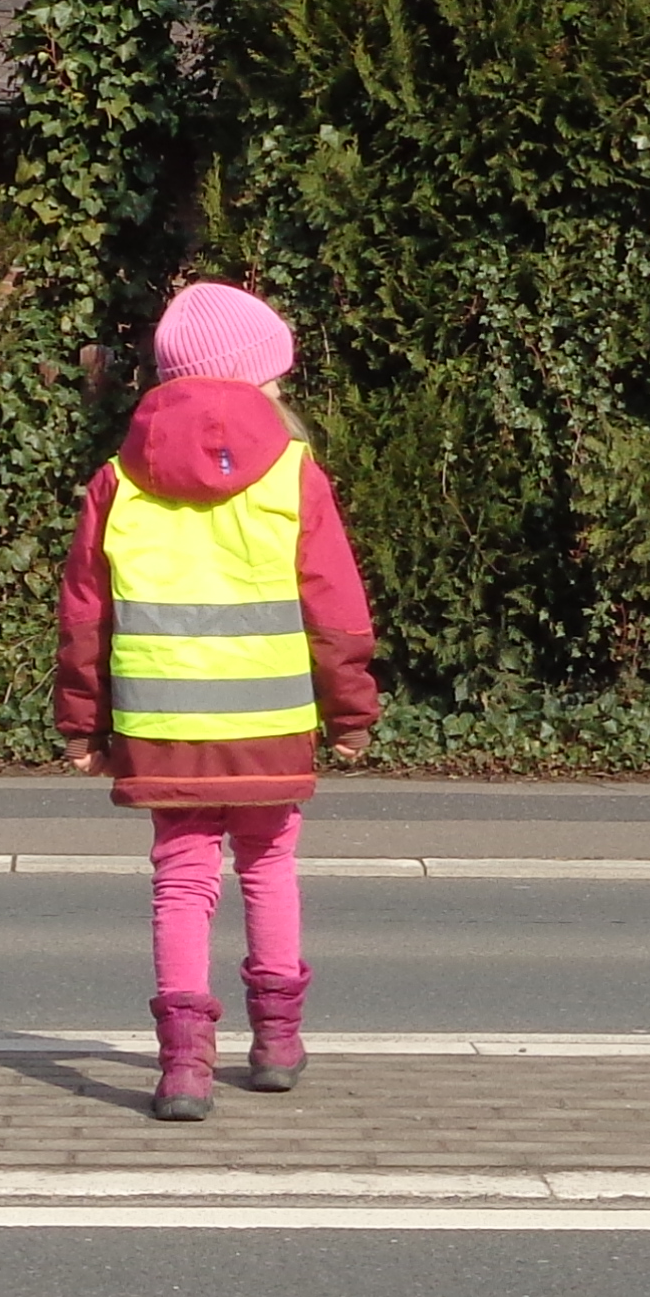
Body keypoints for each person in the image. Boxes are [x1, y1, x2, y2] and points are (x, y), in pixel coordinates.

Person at [50, 279, 381, 1121]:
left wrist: (82, 723)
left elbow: (86, 615)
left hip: (163, 727)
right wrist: (351, 712)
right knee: (269, 867)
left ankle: (185, 1067)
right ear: (254, 378)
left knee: (182, 882)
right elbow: (335, 606)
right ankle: (275, 1041)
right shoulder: (293, 476)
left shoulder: (120, 481)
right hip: (269, 722)